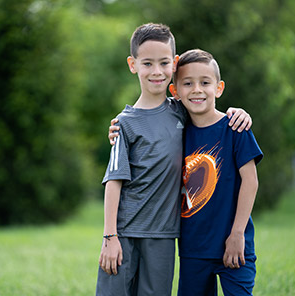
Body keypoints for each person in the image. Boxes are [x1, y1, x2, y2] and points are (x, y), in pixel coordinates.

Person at [97, 23, 251, 296]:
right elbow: (114, 182)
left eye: (164, 63)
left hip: (165, 235)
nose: (156, 71)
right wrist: (110, 236)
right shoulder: (124, 124)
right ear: (133, 65)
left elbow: (205, 104)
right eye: (147, 64)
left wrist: (237, 112)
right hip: (125, 231)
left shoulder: (181, 111)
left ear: (174, 63)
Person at [168, 49, 263, 296]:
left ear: (219, 88)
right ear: (175, 91)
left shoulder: (235, 128)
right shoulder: (176, 133)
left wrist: (237, 233)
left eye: (205, 82)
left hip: (234, 244)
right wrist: (118, 127)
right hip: (193, 249)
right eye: (187, 83)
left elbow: (250, 181)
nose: (197, 89)